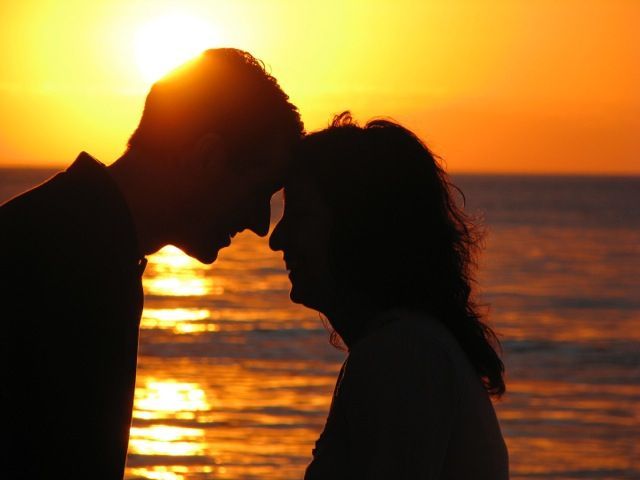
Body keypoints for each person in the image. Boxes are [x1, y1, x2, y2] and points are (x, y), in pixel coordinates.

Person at [0, 48, 303, 479]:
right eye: (259, 191)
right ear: (207, 159)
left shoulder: (89, 246)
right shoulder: (57, 260)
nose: (259, 223)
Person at [269, 112, 509, 479]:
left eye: (300, 215)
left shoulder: (402, 354)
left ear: (356, 226)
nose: (277, 239)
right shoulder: (409, 346)